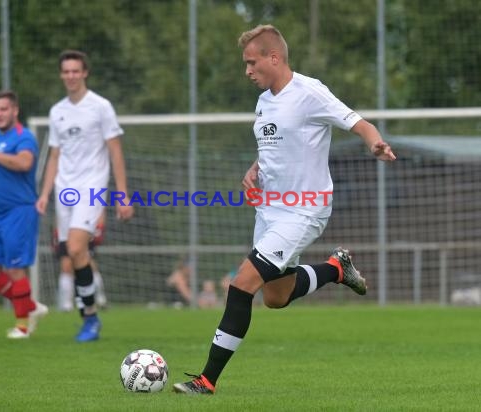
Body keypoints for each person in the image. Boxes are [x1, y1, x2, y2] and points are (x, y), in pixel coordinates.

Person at [173, 25, 396, 394]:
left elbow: (359, 123)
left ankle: (206, 379)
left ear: (273, 58)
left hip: (304, 211)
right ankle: (336, 268)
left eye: (251, 62)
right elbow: (274, 145)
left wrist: (375, 144)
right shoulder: (265, 100)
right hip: (270, 212)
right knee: (275, 297)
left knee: (241, 284)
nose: (247, 70)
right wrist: (255, 167)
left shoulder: (309, 92)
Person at [36, 50, 134, 342]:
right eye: (65, 71)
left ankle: (89, 318)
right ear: (61, 75)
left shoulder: (101, 107)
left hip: (91, 188)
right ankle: (90, 315)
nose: (70, 76)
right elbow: (54, 155)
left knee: (77, 247)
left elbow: (115, 150)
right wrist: (43, 194)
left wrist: (122, 194)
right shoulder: (57, 111)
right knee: (74, 253)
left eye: (75, 71)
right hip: (63, 190)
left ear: (85, 73)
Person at [0, 90, 48, 340]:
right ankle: (30, 306)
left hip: (19, 212)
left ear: (15, 110)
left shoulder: (23, 137)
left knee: (15, 269)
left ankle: (23, 326)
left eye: (3, 109)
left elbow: (24, 163)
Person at [55, 210, 108, 312]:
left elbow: (99, 204)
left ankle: (99, 298)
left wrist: (100, 226)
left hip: (84, 225)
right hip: (66, 228)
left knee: (88, 262)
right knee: (66, 265)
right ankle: (66, 304)